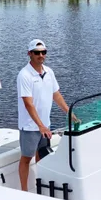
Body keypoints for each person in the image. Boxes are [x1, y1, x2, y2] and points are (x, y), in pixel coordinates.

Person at [17, 39, 71, 192]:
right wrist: (39, 126)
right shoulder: (24, 75)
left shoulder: (49, 72)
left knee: (42, 155)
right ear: (29, 54)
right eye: (36, 52)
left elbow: (56, 94)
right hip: (30, 127)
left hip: (45, 125)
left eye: (43, 52)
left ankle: (42, 186)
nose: (41, 55)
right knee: (27, 158)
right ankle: (24, 191)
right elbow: (28, 104)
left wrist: (69, 112)